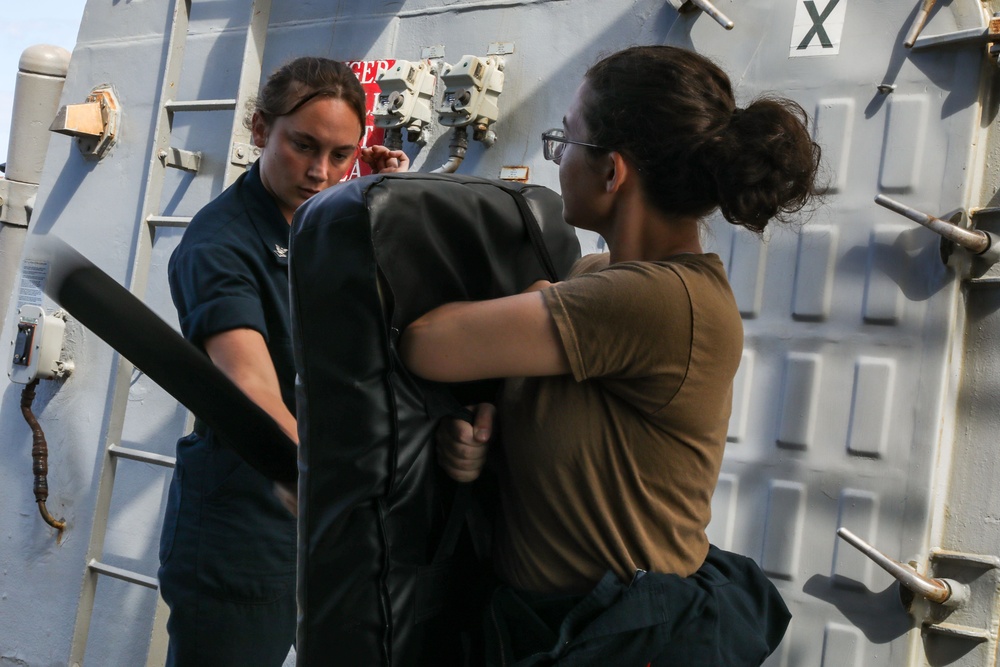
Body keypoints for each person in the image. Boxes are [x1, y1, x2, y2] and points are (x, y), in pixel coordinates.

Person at [401, 45, 820, 665]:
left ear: (610, 172)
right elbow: (580, 437)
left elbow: (427, 344)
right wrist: (483, 446)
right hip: (554, 624)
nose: (558, 157)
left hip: (618, 637)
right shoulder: (602, 275)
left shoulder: (658, 300)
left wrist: (541, 294)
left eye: (565, 140)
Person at [157, 56, 407, 666]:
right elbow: (250, 384)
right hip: (247, 521)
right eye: (303, 146)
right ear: (259, 129)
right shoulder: (219, 245)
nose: (319, 172)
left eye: (341, 154)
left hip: (334, 513)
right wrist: (328, 481)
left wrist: (385, 192)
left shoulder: (337, 220)